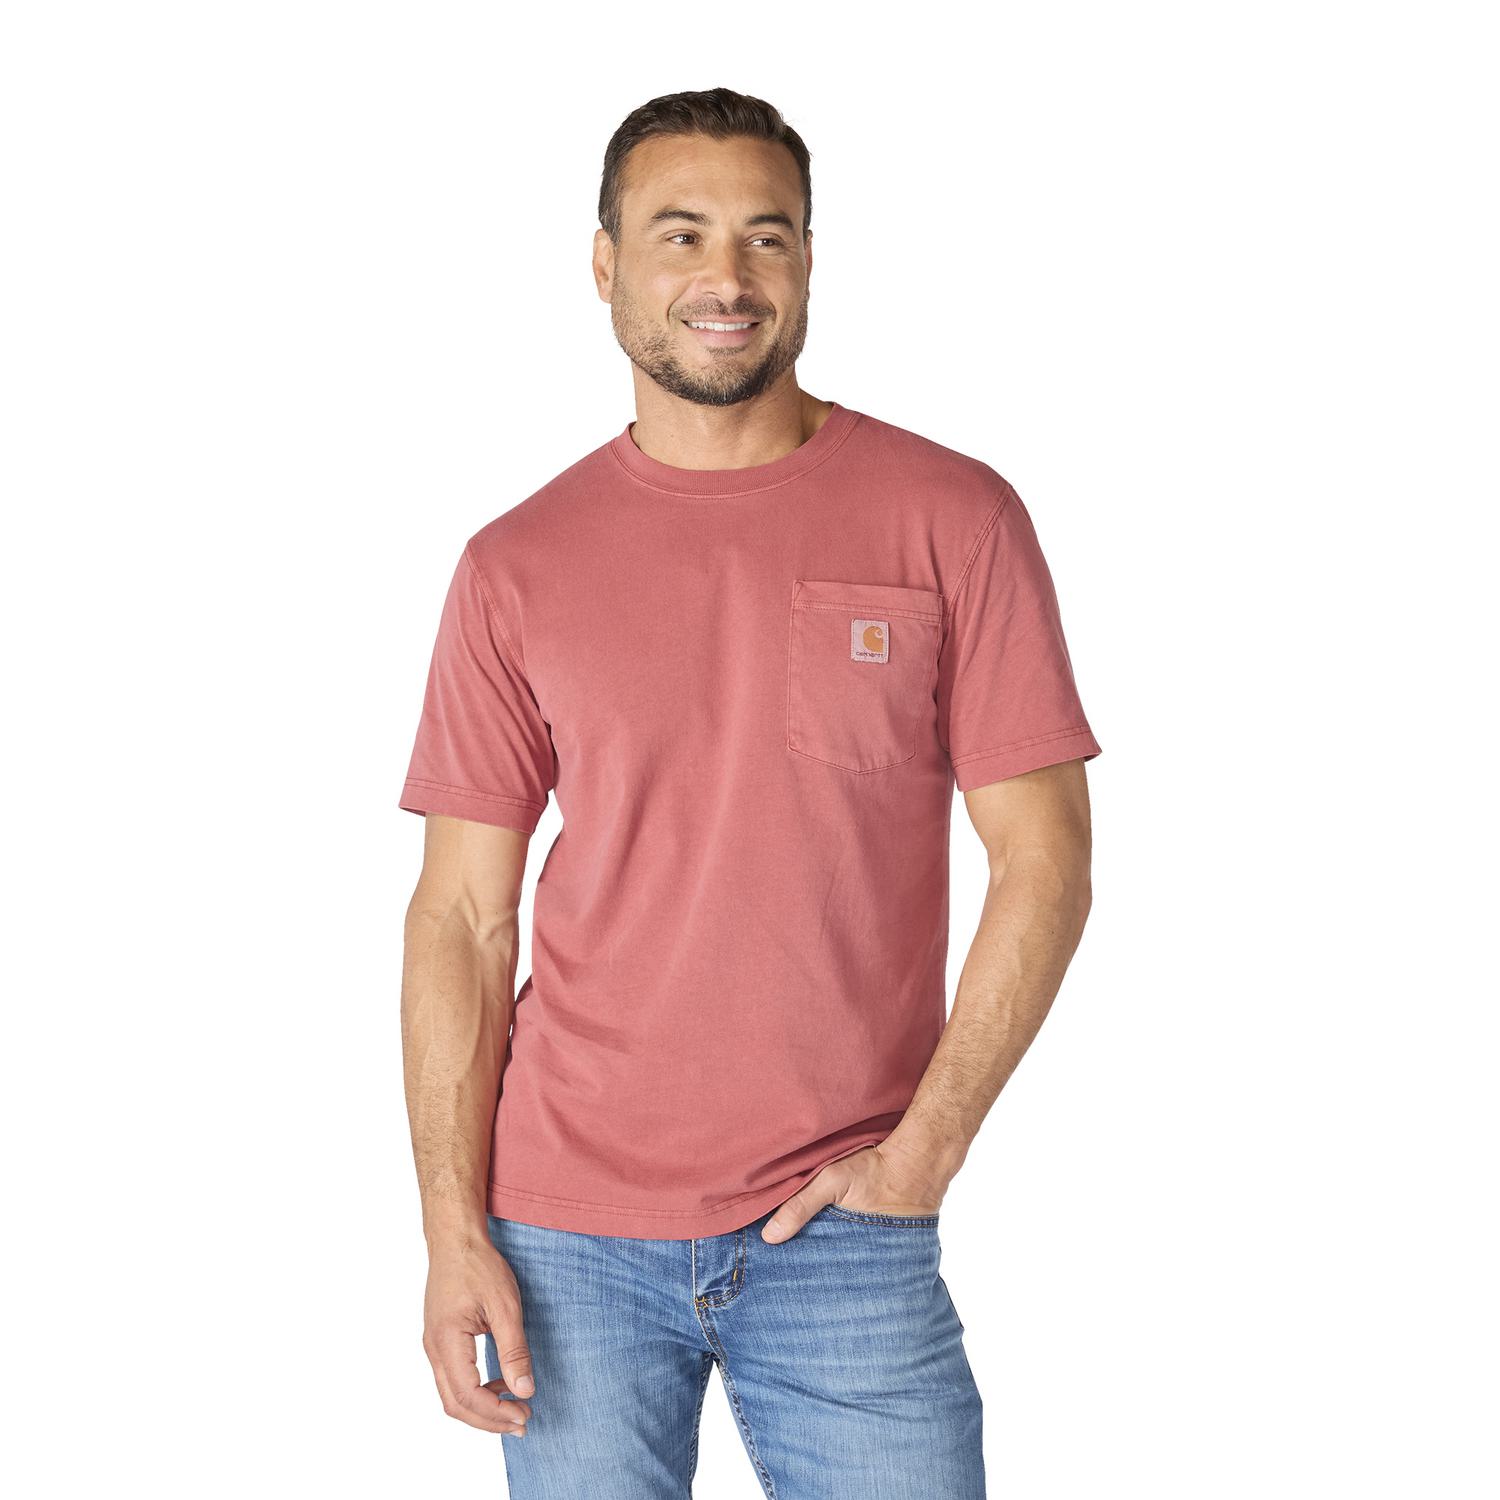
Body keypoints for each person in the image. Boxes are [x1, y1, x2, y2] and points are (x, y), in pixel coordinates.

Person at [398, 86, 1101, 1500]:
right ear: (607, 265)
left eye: (764, 237)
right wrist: (451, 1229)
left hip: (848, 1221)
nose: (725, 277)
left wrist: (923, 1156)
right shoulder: (515, 565)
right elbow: (462, 919)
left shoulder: (953, 518)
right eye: (680, 234)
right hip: (566, 1235)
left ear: (809, 260)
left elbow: (1045, 861)